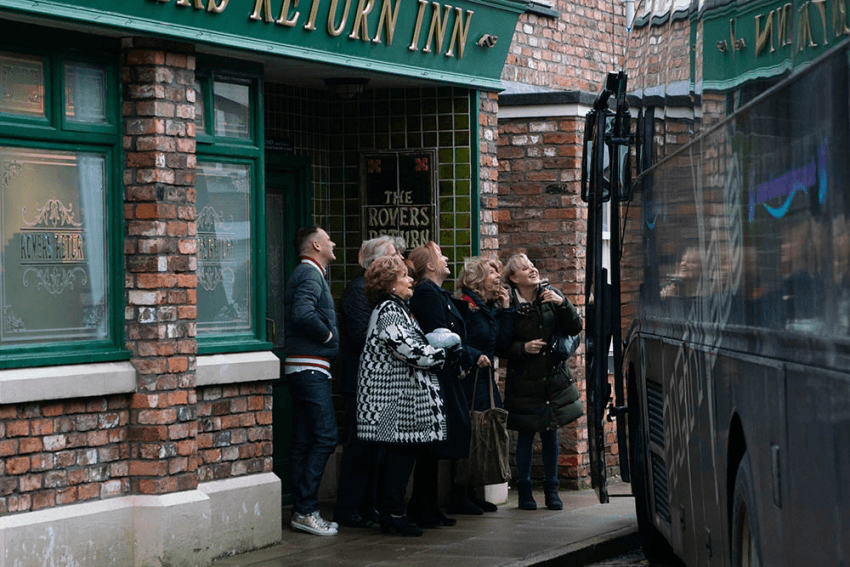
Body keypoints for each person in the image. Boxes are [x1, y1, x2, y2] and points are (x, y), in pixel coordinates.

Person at [357, 254, 456, 536]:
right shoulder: (389, 310)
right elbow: (409, 350)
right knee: (398, 459)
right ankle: (393, 515)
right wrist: (442, 353)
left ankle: (393, 513)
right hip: (393, 403)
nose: (411, 279)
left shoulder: (398, 308)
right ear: (389, 283)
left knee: (400, 457)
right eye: (404, 276)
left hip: (398, 401)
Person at [502, 253, 583, 511]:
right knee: (526, 435)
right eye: (525, 269)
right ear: (514, 278)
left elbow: (575, 327)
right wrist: (522, 348)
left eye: (533, 266)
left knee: (550, 434)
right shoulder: (508, 304)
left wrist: (562, 303)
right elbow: (500, 345)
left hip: (552, 380)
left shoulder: (551, 296)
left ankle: (552, 490)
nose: (532, 270)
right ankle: (525, 490)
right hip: (525, 382)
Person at [334, 236, 403, 528]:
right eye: (391, 256)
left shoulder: (375, 294)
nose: (397, 259)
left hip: (375, 381)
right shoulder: (358, 292)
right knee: (359, 448)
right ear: (374, 263)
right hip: (359, 382)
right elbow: (361, 336)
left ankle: (368, 505)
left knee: (376, 449)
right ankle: (349, 509)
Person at [406, 242, 479, 522]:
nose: (446, 258)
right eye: (440, 256)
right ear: (430, 266)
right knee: (432, 444)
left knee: (437, 443)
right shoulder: (426, 293)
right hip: (436, 376)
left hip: (445, 374)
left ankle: (428, 505)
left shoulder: (438, 293)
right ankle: (423, 505)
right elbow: (436, 333)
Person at [284, 225, 341, 536]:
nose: (333, 243)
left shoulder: (309, 273)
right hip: (310, 368)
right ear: (316, 245)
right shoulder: (309, 274)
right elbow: (303, 314)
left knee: (305, 440)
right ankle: (306, 510)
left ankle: (301, 510)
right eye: (328, 239)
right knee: (325, 436)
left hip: (305, 366)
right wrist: (329, 335)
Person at [454, 255, 516, 511]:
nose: (498, 278)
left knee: (484, 431)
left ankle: (473, 489)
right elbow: (456, 341)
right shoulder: (464, 305)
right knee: (469, 432)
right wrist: (473, 355)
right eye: (493, 273)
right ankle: (459, 494)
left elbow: (501, 344)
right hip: (468, 378)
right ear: (478, 279)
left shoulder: (488, 308)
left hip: (484, 379)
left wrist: (506, 310)